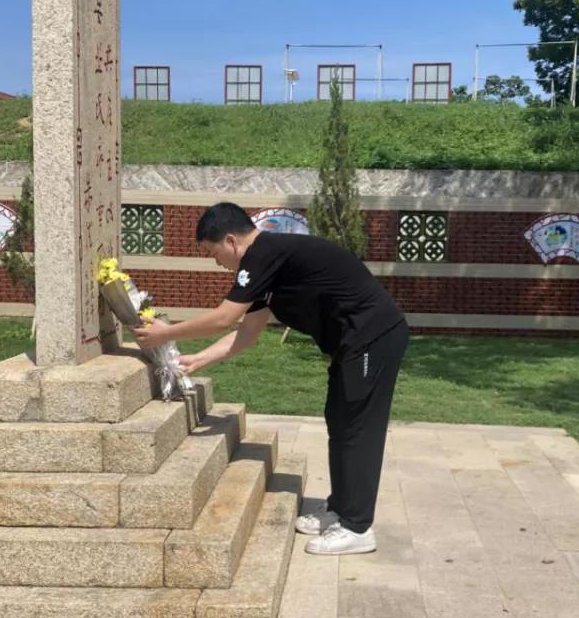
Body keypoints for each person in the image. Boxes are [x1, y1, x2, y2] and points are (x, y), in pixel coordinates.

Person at [133, 202, 410, 556]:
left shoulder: (262, 255)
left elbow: (223, 318)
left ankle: (357, 528)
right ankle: (341, 509)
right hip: (354, 343)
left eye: (213, 252)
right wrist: (199, 359)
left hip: (373, 337)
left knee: (358, 427)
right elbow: (247, 333)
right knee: (340, 421)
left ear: (231, 241)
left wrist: (166, 332)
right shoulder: (268, 262)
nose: (216, 262)